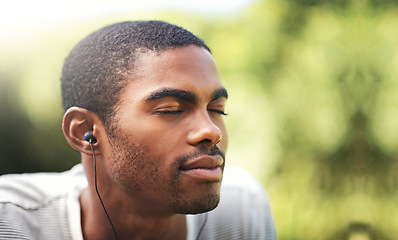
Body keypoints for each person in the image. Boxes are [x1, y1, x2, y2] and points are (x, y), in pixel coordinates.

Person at [0, 20, 276, 240]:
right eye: (171, 110)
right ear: (85, 132)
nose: (211, 130)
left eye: (217, 109)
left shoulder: (242, 210)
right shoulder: (11, 222)